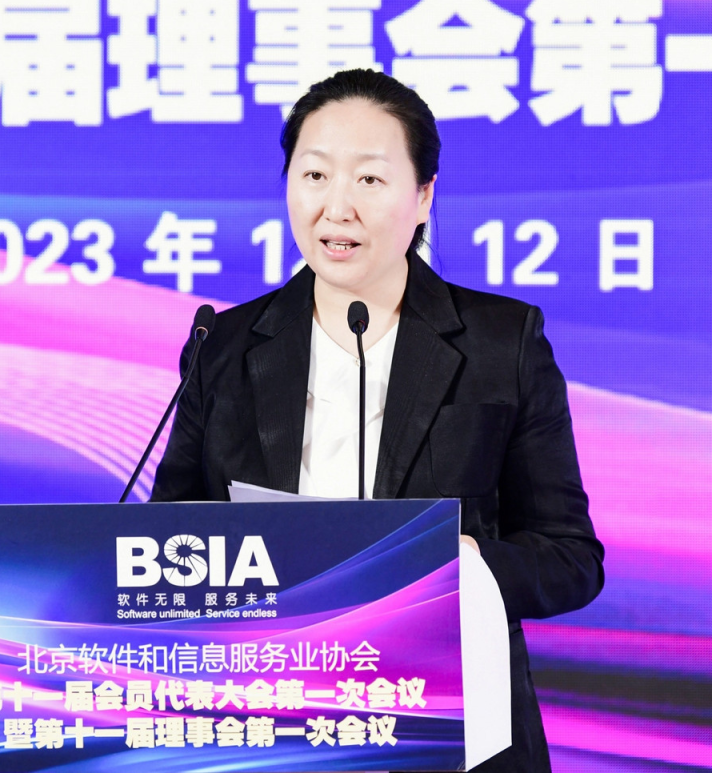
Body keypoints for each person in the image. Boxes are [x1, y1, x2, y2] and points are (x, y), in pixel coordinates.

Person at [150, 68, 604, 772]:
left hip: (452, 726)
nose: (337, 207)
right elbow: (167, 548)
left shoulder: (501, 343)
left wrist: (460, 568)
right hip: (273, 726)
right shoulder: (224, 347)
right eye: (314, 175)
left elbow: (571, 559)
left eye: (369, 179)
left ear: (423, 196)